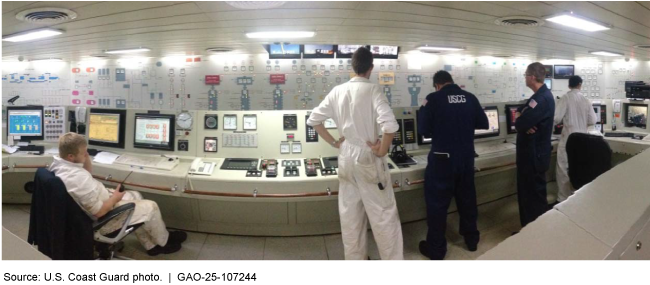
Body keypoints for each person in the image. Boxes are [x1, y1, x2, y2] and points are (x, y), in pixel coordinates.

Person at [306, 47, 403, 260]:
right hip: (367, 155)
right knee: (383, 216)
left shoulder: (337, 91)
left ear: (352, 66)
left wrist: (334, 142)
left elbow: (313, 120)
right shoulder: (373, 90)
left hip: (346, 156)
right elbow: (390, 125)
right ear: (371, 67)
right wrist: (382, 149)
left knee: (351, 218)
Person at [49, 132, 187, 256]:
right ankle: (164, 242)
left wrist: (83, 155)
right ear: (71, 156)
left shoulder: (59, 165)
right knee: (151, 207)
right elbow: (100, 212)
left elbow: (86, 174)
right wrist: (115, 198)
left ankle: (151, 245)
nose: (86, 155)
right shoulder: (77, 178)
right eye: (84, 154)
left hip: (94, 205)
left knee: (136, 196)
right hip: (101, 220)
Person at [416, 70, 489, 260]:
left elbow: (422, 129)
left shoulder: (433, 99)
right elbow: (484, 123)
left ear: (437, 85)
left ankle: (437, 249)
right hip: (466, 159)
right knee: (467, 200)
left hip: (442, 161)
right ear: (451, 82)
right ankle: (472, 241)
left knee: (437, 205)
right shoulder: (470, 98)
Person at [515, 62, 556, 227]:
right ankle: (530, 230)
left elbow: (519, 124)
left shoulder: (542, 99)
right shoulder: (539, 96)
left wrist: (521, 119)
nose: (524, 78)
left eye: (525, 75)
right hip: (533, 154)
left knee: (532, 196)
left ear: (532, 77)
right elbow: (521, 110)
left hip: (533, 156)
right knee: (530, 194)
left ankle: (534, 232)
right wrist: (521, 115)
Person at [554, 76, 598, 203]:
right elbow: (593, 120)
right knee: (578, 170)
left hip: (568, 141)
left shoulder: (565, 98)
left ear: (569, 86)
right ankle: (576, 199)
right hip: (583, 142)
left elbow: (556, 118)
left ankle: (562, 200)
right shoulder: (586, 100)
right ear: (580, 85)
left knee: (564, 171)